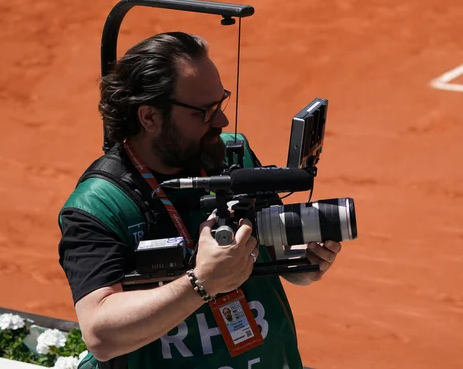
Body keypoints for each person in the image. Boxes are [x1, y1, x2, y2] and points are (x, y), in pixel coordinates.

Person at [57, 31, 342, 369]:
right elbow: (101, 334)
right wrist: (203, 282)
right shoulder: (100, 204)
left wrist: (302, 260)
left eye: (220, 103)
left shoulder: (232, 158)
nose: (221, 121)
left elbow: (279, 255)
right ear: (149, 117)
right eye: (203, 112)